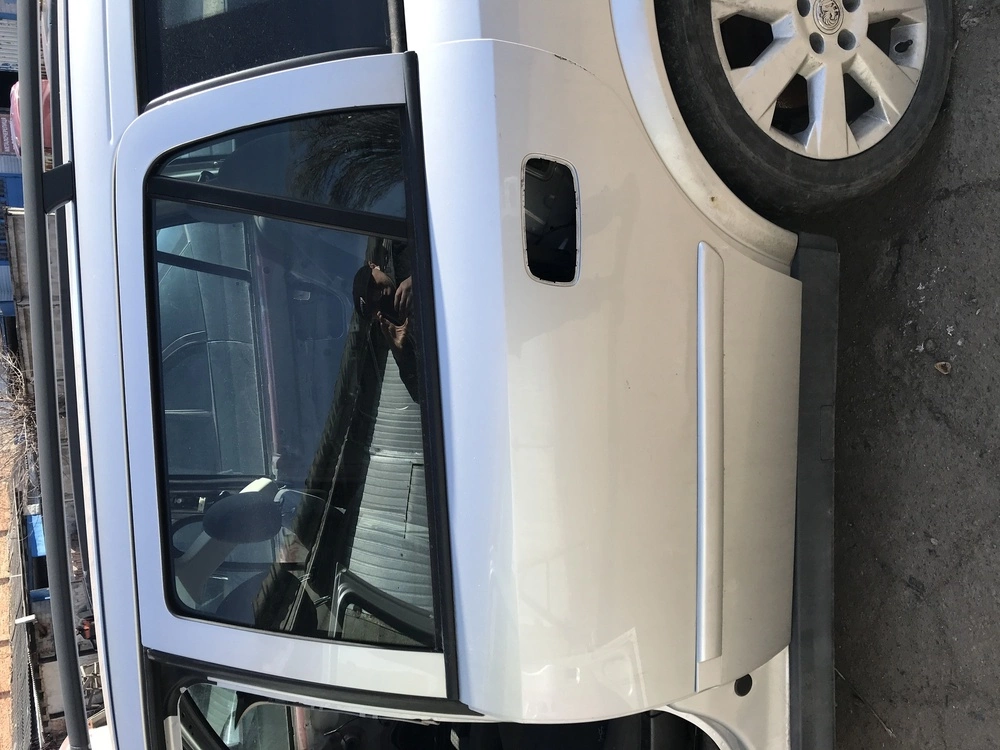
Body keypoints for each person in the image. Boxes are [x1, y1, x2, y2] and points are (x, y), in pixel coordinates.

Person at [352, 260, 419, 400]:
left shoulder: (405, 255)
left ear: (374, 266)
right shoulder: (398, 331)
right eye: (372, 302)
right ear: (375, 316)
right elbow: (420, 395)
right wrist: (401, 355)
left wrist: (418, 279)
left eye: (372, 284)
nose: (377, 294)